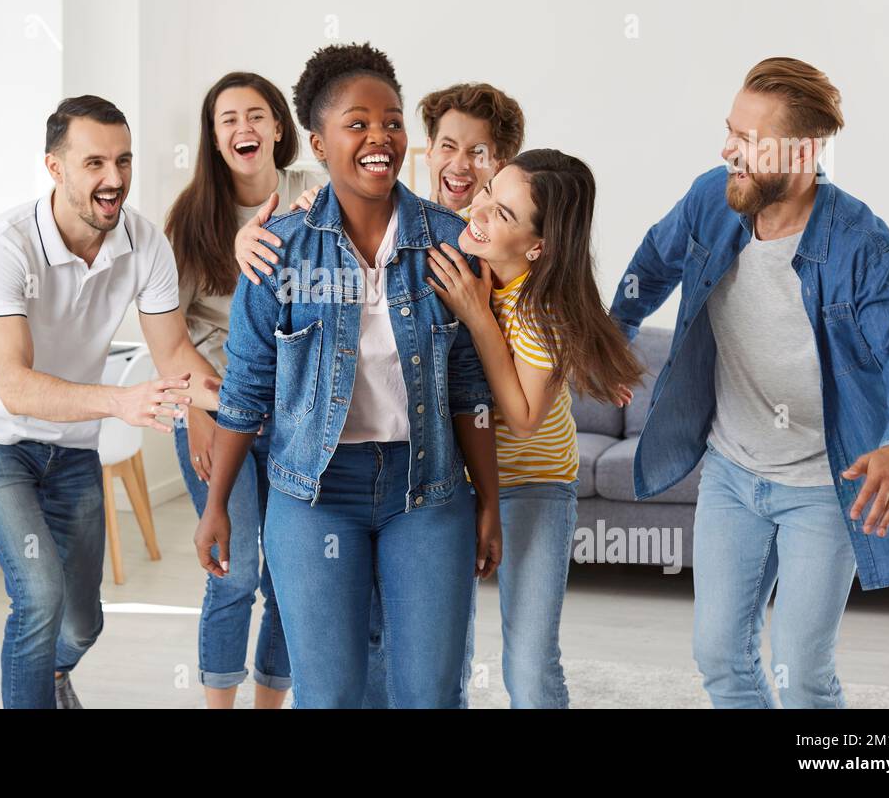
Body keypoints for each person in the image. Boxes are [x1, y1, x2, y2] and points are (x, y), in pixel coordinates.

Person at [610, 58, 889, 708]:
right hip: (732, 469)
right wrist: (613, 333)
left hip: (823, 486)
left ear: (803, 151)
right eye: (728, 130)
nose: (727, 150)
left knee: (801, 670)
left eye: (748, 139)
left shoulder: (858, 243)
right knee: (718, 654)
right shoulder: (714, 198)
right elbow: (654, 259)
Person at [193, 43, 501, 708]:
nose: (379, 136)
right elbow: (245, 390)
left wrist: (490, 500)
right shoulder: (278, 249)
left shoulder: (450, 242)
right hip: (314, 494)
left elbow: (471, 392)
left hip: (428, 491)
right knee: (331, 695)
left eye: (391, 120)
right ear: (318, 142)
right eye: (357, 122)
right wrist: (218, 503)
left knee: (430, 694)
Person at [0, 95, 220, 709]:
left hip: (69, 450)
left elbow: (174, 353)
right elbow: (14, 385)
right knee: (39, 595)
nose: (114, 179)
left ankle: (52, 675)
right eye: (94, 162)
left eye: (123, 161)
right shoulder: (5, 245)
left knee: (81, 624)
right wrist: (119, 403)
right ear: (55, 167)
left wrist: (243, 407)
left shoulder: (144, 244)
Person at [427, 149, 643, 707]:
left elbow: (523, 419)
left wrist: (477, 319)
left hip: (533, 487)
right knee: (442, 653)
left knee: (527, 661)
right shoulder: (471, 267)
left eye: (502, 214)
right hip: (458, 484)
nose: (478, 210)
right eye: (487, 193)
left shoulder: (543, 309)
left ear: (537, 245)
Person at [163, 72, 321, 708]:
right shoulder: (190, 218)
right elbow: (167, 334)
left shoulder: (315, 192)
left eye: (255, 115)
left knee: (288, 576)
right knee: (236, 574)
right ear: (213, 136)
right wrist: (199, 414)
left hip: (294, 416)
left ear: (279, 128)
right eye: (227, 119)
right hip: (214, 411)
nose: (243, 129)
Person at [233, 82, 525, 282]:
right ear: (430, 150)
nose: (460, 164)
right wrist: (246, 241)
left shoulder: (503, 248)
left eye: (477, 152)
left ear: (500, 165)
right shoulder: (401, 221)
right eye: (448, 147)